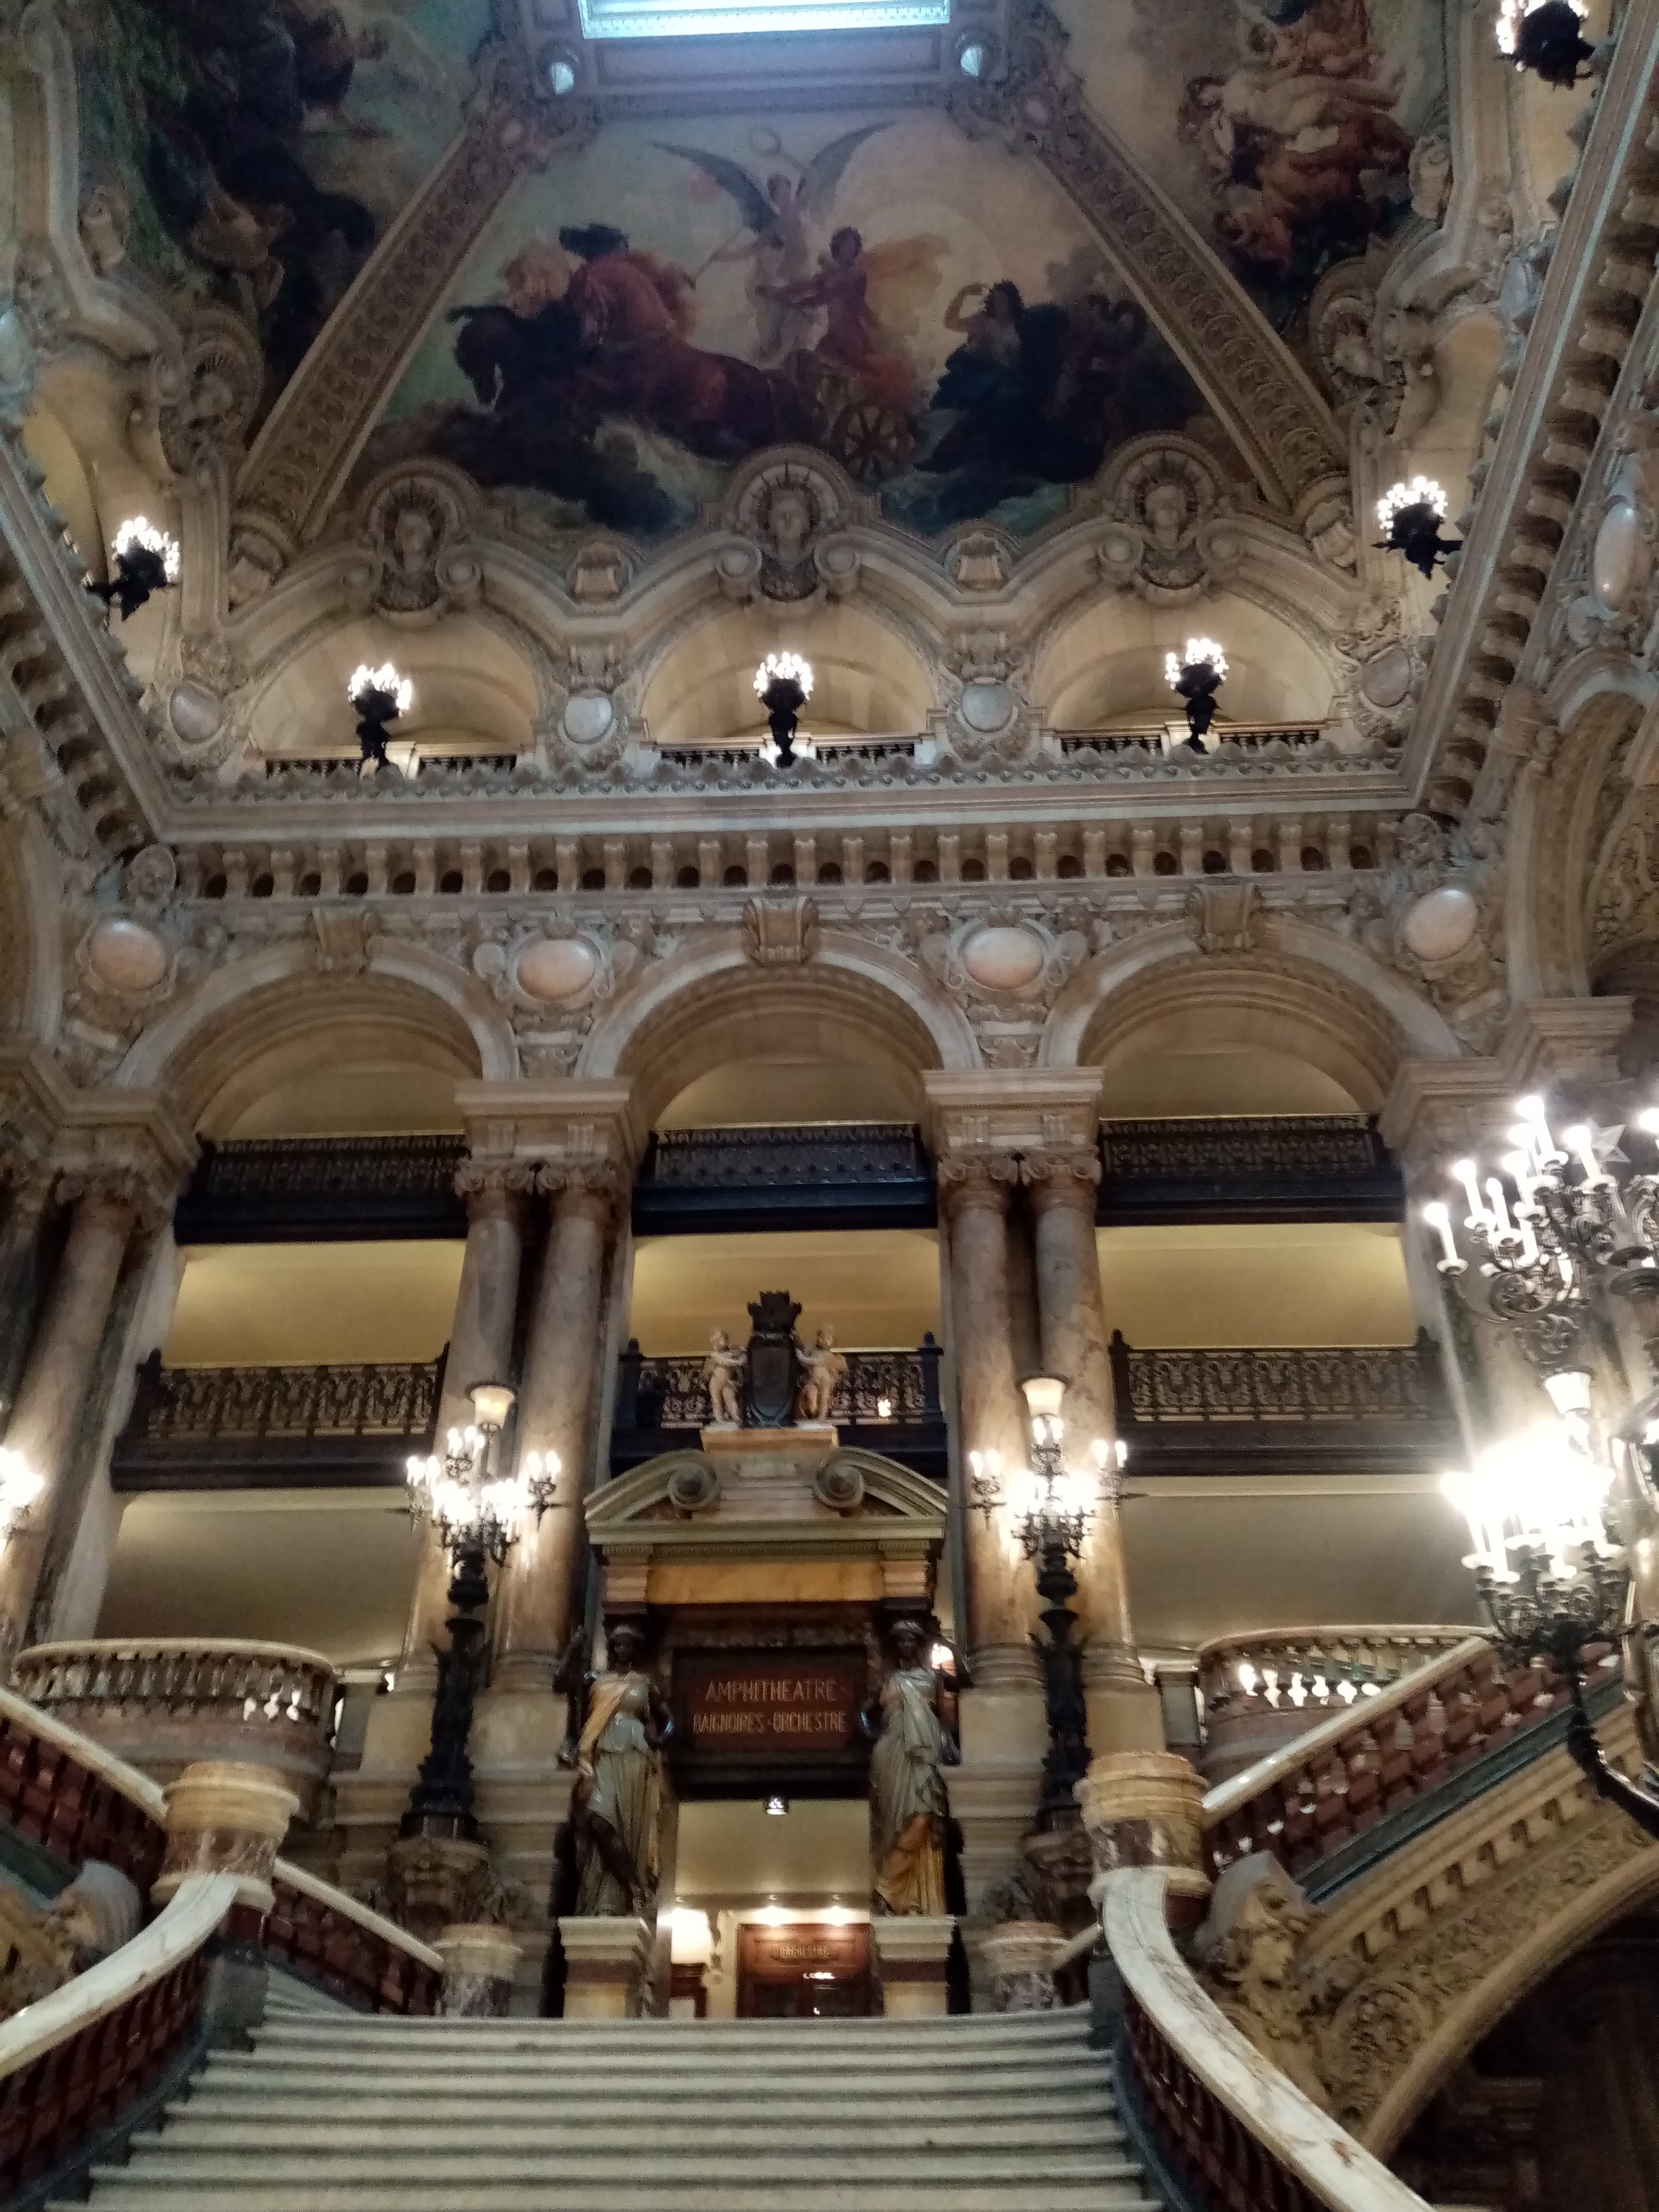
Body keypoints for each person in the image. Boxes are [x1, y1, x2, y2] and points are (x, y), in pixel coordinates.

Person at [555, 1622, 673, 1917]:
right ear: (611, 1649)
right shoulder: (596, 1679)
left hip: (635, 1757)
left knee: (627, 1825)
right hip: (602, 1753)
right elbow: (561, 1683)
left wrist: (660, 1738)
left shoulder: (644, 1683)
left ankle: (618, 1899)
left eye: (627, 1645)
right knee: (598, 1820)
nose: (622, 1649)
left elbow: (670, 1719)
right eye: (617, 1644)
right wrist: (573, 1649)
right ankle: (634, 1887)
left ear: (634, 1650)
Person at [860, 1619, 962, 1915]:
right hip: (892, 1751)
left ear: (919, 1646)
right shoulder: (887, 1679)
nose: (907, 1645)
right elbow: (865, 1713)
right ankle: (895, 1893)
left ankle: (888, 1885)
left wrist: (952, 1671)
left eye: (912, 1641)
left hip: (925, 1751)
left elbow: (948, 1719)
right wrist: (872, 1733)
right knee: (893, 1821)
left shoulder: (933, 1678)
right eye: (902, 1641)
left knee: (923, 1814)